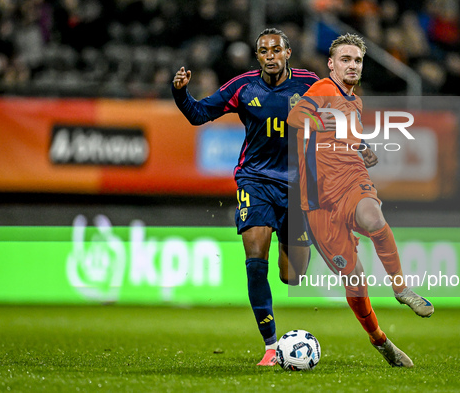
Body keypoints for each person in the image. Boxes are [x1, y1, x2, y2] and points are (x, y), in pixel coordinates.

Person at [172, 28, 319, 366]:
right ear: (258, 57)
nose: (270, 55)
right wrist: (180, 94)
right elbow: (198, 114)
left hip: (298, 187)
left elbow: (340, 113)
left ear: (287, 53)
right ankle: (270, 345)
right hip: (255, 180)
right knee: (256, 256)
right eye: (264, 51)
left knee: (292, 275)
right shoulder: (243, 86)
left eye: (276, 49)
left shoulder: (310, 84)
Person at [287, 33, 434, 368]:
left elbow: (343, 137)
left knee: (374, 218)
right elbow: (295, 118)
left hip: (352, 182)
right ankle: (380, 340)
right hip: (318, 203)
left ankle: (401, 289)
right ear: (332, 63)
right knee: (354, 278)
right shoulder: (324, 89)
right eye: (345, 60)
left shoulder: (355, 101)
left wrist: (361, 146)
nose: (352, 66)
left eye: (357, 60)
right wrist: (314, 119)